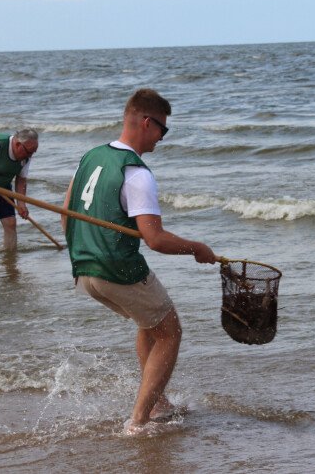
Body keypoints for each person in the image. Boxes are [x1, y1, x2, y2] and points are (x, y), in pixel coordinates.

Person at [62, 89, 215, 433]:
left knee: (151, 324)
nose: (163, 137)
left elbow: (67, 212)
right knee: (170, 331)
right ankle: (140, 421)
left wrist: (83, 249)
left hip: (84, 269)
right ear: (147, 123)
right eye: (163, 129)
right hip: (117, 268)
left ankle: (158, 403)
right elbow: (155, 239)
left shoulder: (92, 157)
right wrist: (197, 249)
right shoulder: (137, 173)